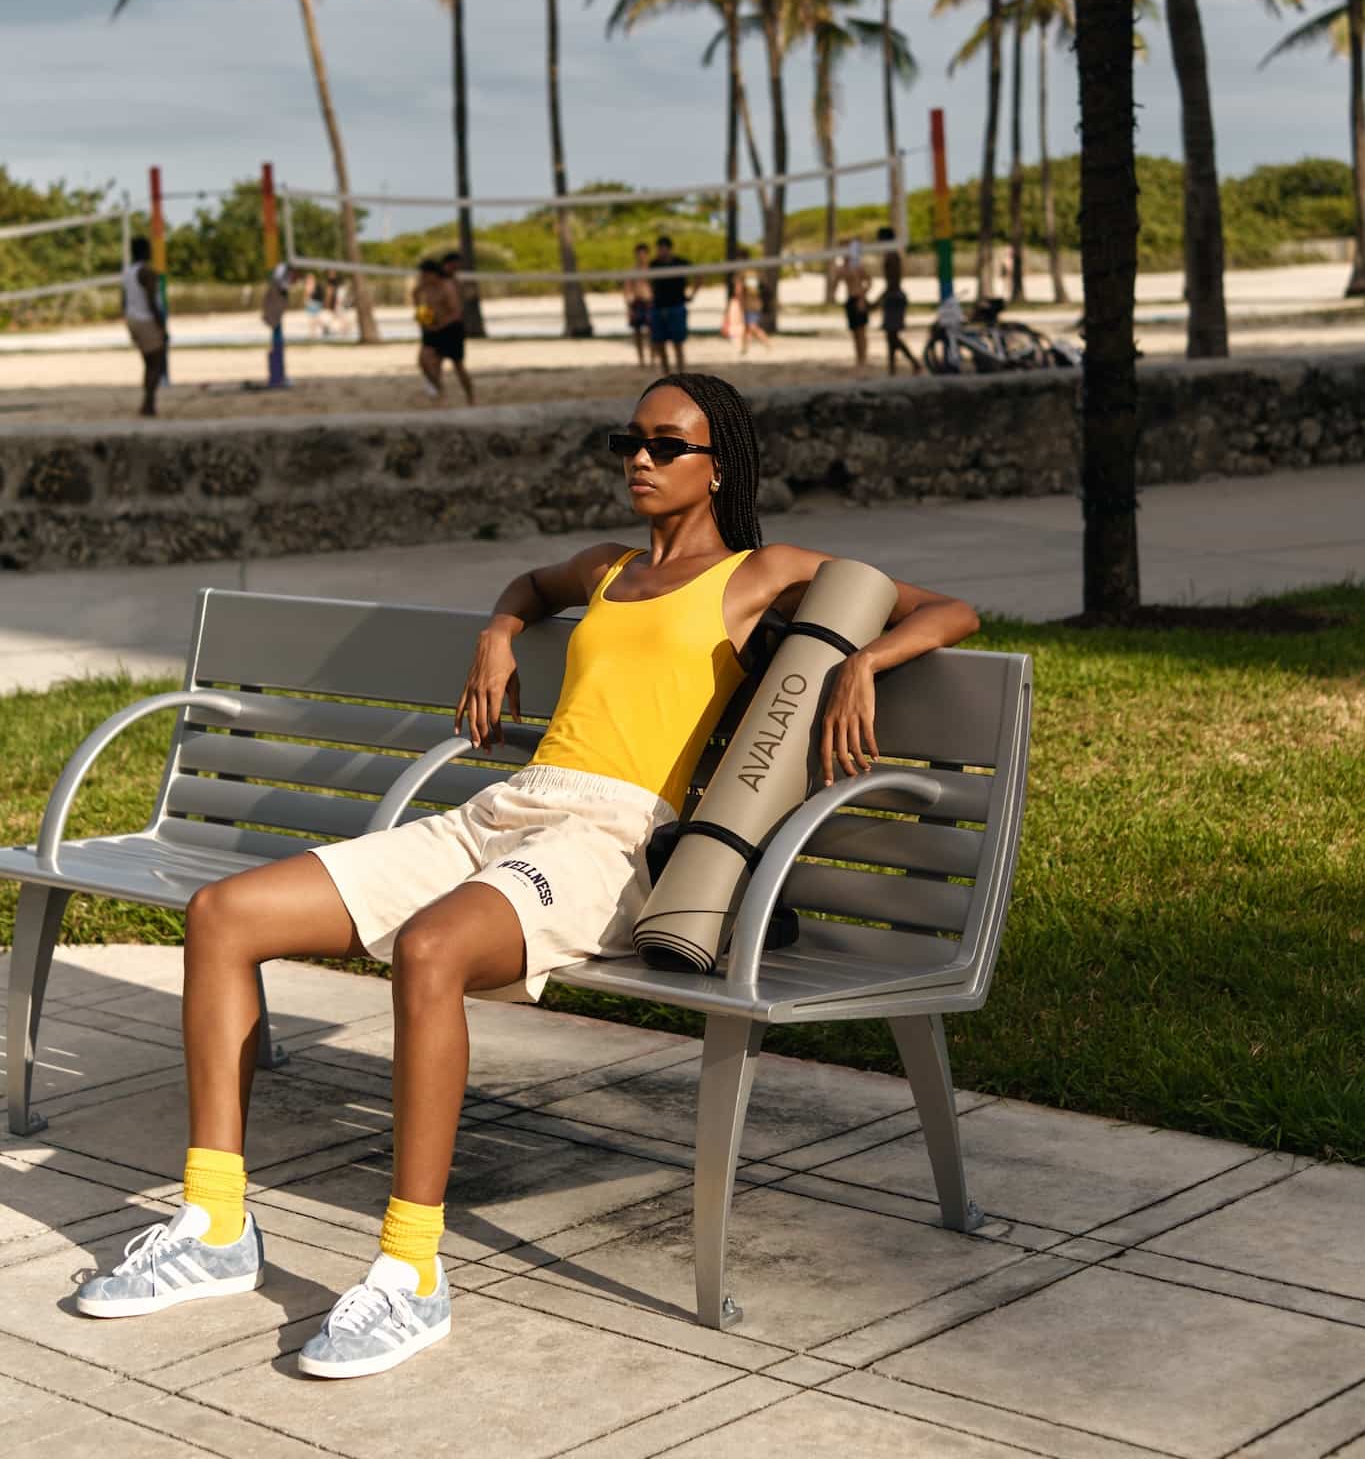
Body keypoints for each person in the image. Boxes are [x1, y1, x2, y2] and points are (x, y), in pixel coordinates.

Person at [72, 371, 978, 1380]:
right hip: (501, 811)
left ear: (718, 464)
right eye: (626, 439)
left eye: (665, 443)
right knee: (221, 913)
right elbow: (527, 586)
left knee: (430, 949)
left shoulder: (762, 573)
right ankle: (214, 1224)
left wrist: (865, 661)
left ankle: (412, 1273)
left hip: (614, 838)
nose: (639, 457)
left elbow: (950, 603)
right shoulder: (604, 567)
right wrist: (497, 633)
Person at [415, 256, 475, 406]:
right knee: (424, 361)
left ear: (432, 274)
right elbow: (419, 306)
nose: (422, 278)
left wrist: (438, 326)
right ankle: (439, 389)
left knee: (458, 366)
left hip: (451, 329)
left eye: (424, 275)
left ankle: (470, 397)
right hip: (434, 328)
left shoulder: (447, 286)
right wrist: (424, 321)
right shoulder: (424, 288)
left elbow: (456, 313)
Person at [122, 234, 167, 418]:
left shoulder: (127, 272)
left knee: (149, 364)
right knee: (155, 364)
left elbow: (123, 301)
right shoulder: (147, 272)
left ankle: (148, 403)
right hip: (146, 320)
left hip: (133, 319)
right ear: (144, 251)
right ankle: (148, 404)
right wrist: (161, 325)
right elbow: (152, 302)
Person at [872, 226, 921, 376]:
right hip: (894, 297)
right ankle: (893, 369)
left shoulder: (892, 256)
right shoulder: (892, 255)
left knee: (892, 336)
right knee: (891, 336)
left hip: (894, 298)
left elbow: (892, 283)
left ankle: (912, 364)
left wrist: (877, 301)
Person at [648, 233, 692, 374]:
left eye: (663, 248)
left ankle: (680, 372)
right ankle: (666, 373)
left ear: (669, 249)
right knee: (660, 343)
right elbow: (648, 281)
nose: (661, 251)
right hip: (659, 306)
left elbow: (699, 275)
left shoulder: (680, 262)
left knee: (677, 343)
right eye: (659, 248)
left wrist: (692, 295)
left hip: (676, 306)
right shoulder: (654, 264)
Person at [835, 237, 871, 369]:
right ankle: (858, 358)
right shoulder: (842, 268)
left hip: (858, 299)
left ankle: (863, 359)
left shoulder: (857, 267)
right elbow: (836, 283)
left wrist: (862, 297)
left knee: (861, 332)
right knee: (855, 332)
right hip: (850, 300)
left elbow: (869, 282)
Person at [261, 261, 295, 390]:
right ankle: (277, 377)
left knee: (278, 343)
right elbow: (283, 285)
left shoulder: (276, 284)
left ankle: (278, 376)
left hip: (275, 316)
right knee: (277, 344)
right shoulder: (278, 286)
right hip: (275, 316)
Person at [623, 241, 653, 367]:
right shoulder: (632, 271)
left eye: (643, 254)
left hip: (650, 302)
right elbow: (627, 289)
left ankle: (652, 359)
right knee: (637, 333)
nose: (641, 256)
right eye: (639, 254)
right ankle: (641, 360)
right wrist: (629, 307)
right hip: (637, 302)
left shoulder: (652, 270)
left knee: (652, 333)